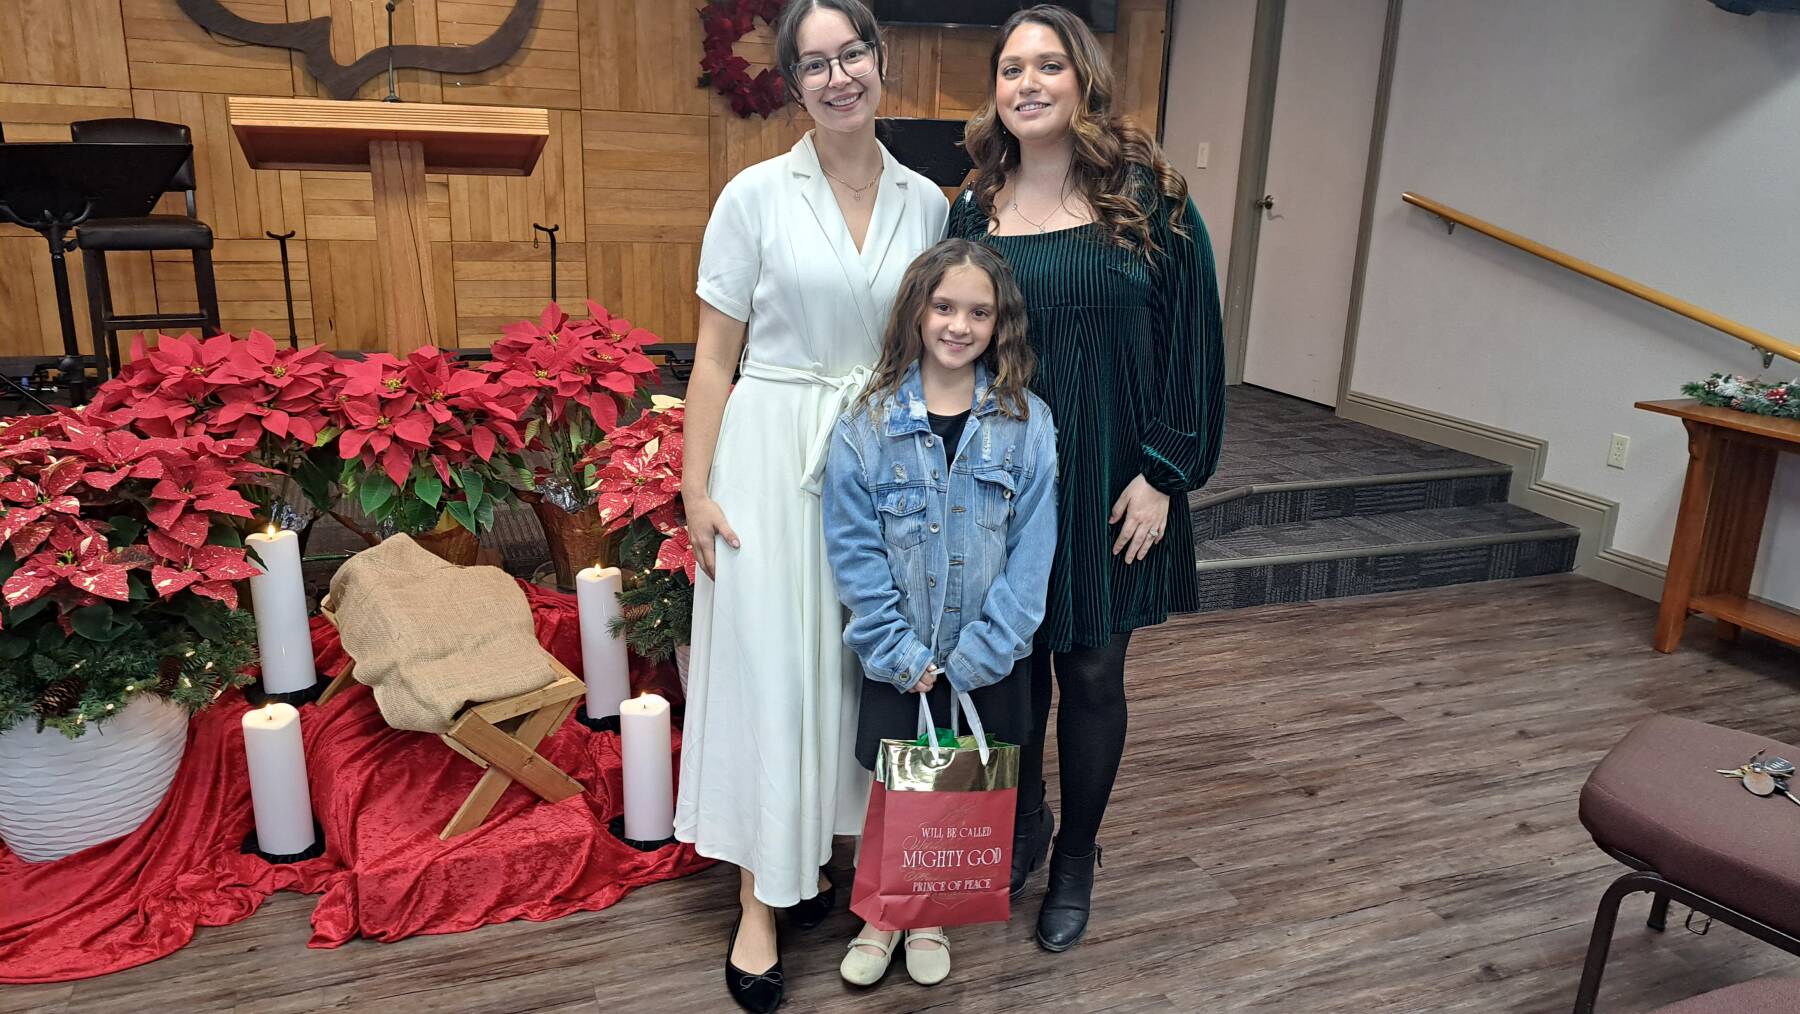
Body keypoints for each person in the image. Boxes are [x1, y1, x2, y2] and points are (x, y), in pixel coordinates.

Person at [676, 0, 950, 1009]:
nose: (839, 77)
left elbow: (941, 345)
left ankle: (863, 869)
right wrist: (694, 488)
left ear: (881, 59)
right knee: (773, 673)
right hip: (769, 453)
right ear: (792, 84)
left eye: (853, 54)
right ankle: (760, 901)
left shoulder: (929, 203)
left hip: (882, 454)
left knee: (862, 671)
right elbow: (714, 358)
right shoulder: (752, 195)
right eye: (816, 63)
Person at [943, 4, 1227, 953]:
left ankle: (1075, 856)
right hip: (1004, 479)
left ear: (1084, 80)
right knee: (1013, 669)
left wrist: (1165, 474)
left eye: (1048, 65)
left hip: (1115, 473)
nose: (1027, 84)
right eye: (1011, 68)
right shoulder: (973, 207)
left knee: (1094, 670)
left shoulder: (1152, 197)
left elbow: (1194, 342)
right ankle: (1021, 825)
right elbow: (952, 344)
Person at [821, 239, 1056, 990]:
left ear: (1000, 323)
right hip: (902, 649)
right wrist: (894, 646)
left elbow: (1033, 550)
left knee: (955, 779)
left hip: (988, 654)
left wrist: (987, 649)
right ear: (918, 312)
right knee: (898, 778)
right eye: (945, 307)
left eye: (979, 313)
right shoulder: (866, 423)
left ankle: (927, 914)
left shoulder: (1028, 422)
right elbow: (852, 546)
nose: (959, 325)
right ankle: (881, 916)